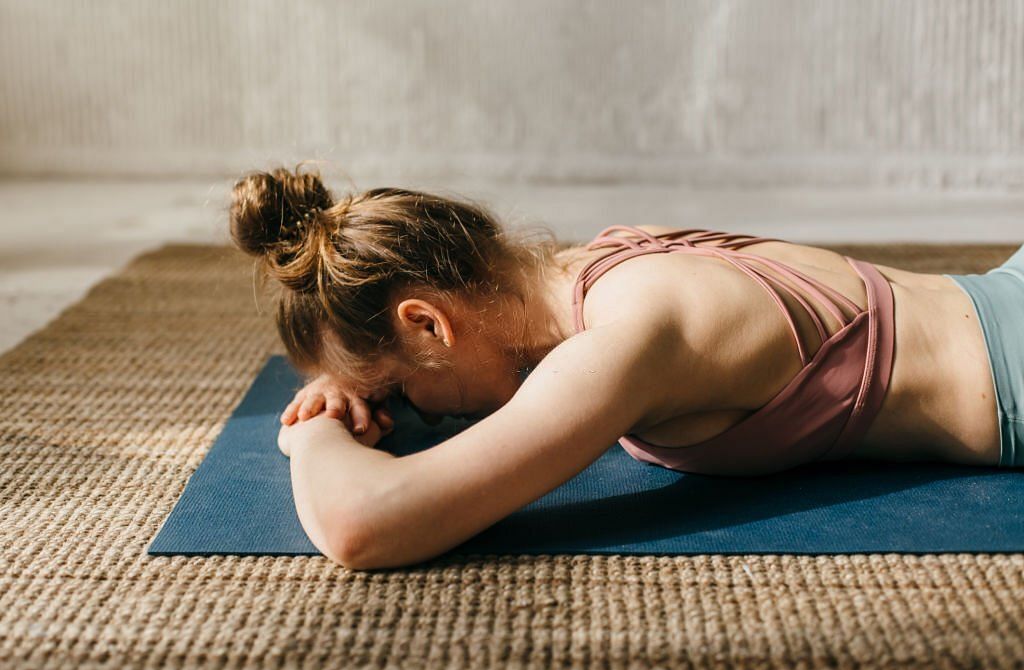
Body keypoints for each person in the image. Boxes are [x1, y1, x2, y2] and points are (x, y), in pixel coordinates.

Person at [229, 163, 1024, 570]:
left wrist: (315, 438)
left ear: (428, 323)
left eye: (401, 389)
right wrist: (343, 375)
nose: (420, 414)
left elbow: (368, 525)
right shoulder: (604, 259)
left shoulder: (625, 343)